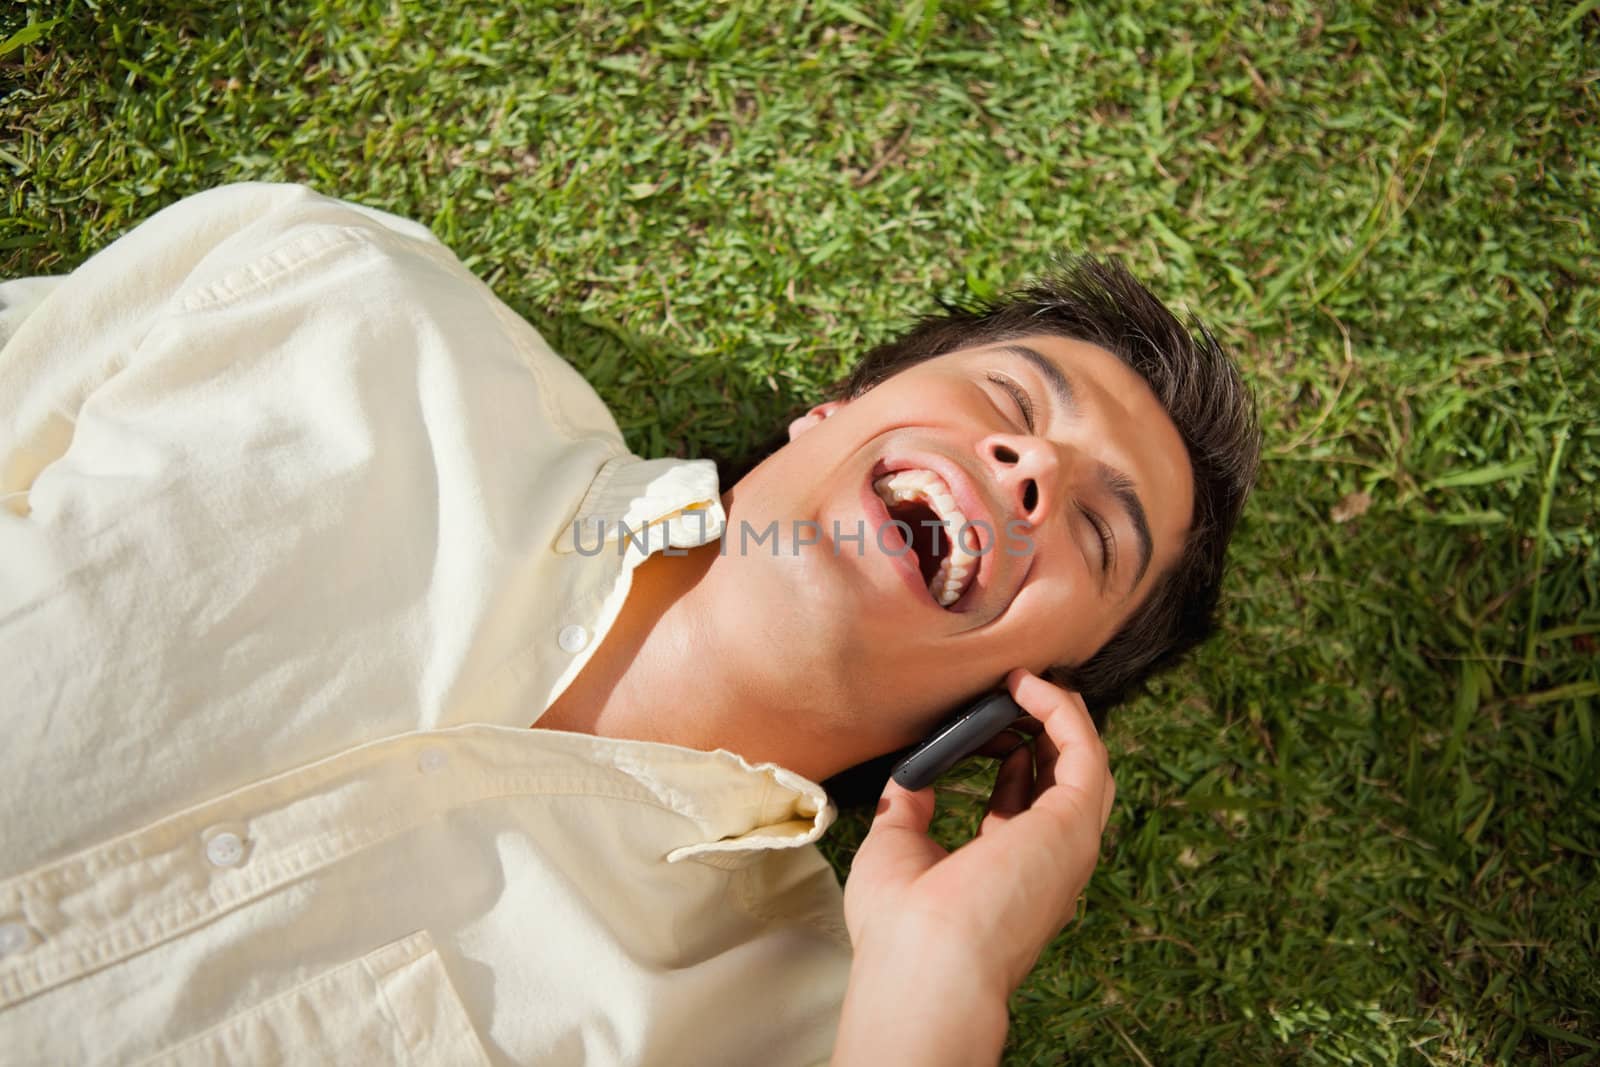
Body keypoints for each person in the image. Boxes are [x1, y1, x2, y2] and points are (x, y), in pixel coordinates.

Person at [0, 184, 1258, 1064]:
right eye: (1010, 395)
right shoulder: (343, 309)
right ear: (836, 409)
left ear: (1013, 715)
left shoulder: (796, 1034)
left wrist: (944, 988)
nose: (1029, 468)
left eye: (1095, 529)